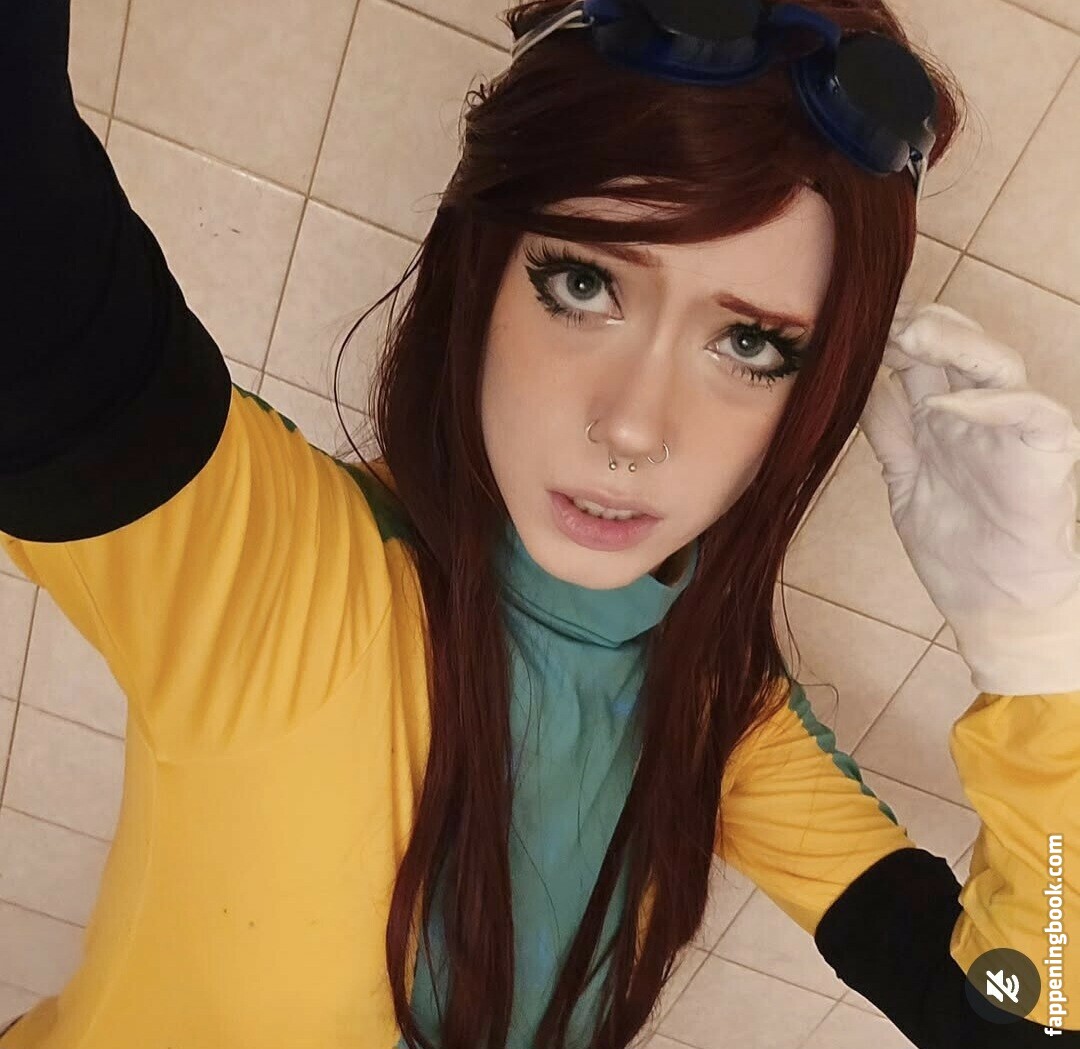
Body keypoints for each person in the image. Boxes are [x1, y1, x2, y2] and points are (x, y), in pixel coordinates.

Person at [1, 0, 1077, 1047]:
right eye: (584, 281)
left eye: (749, 345)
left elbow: (1024, 1006)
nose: (634, 425)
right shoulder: (275, 578)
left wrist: (1039, 654)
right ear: (480, 270)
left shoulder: (716, 705)